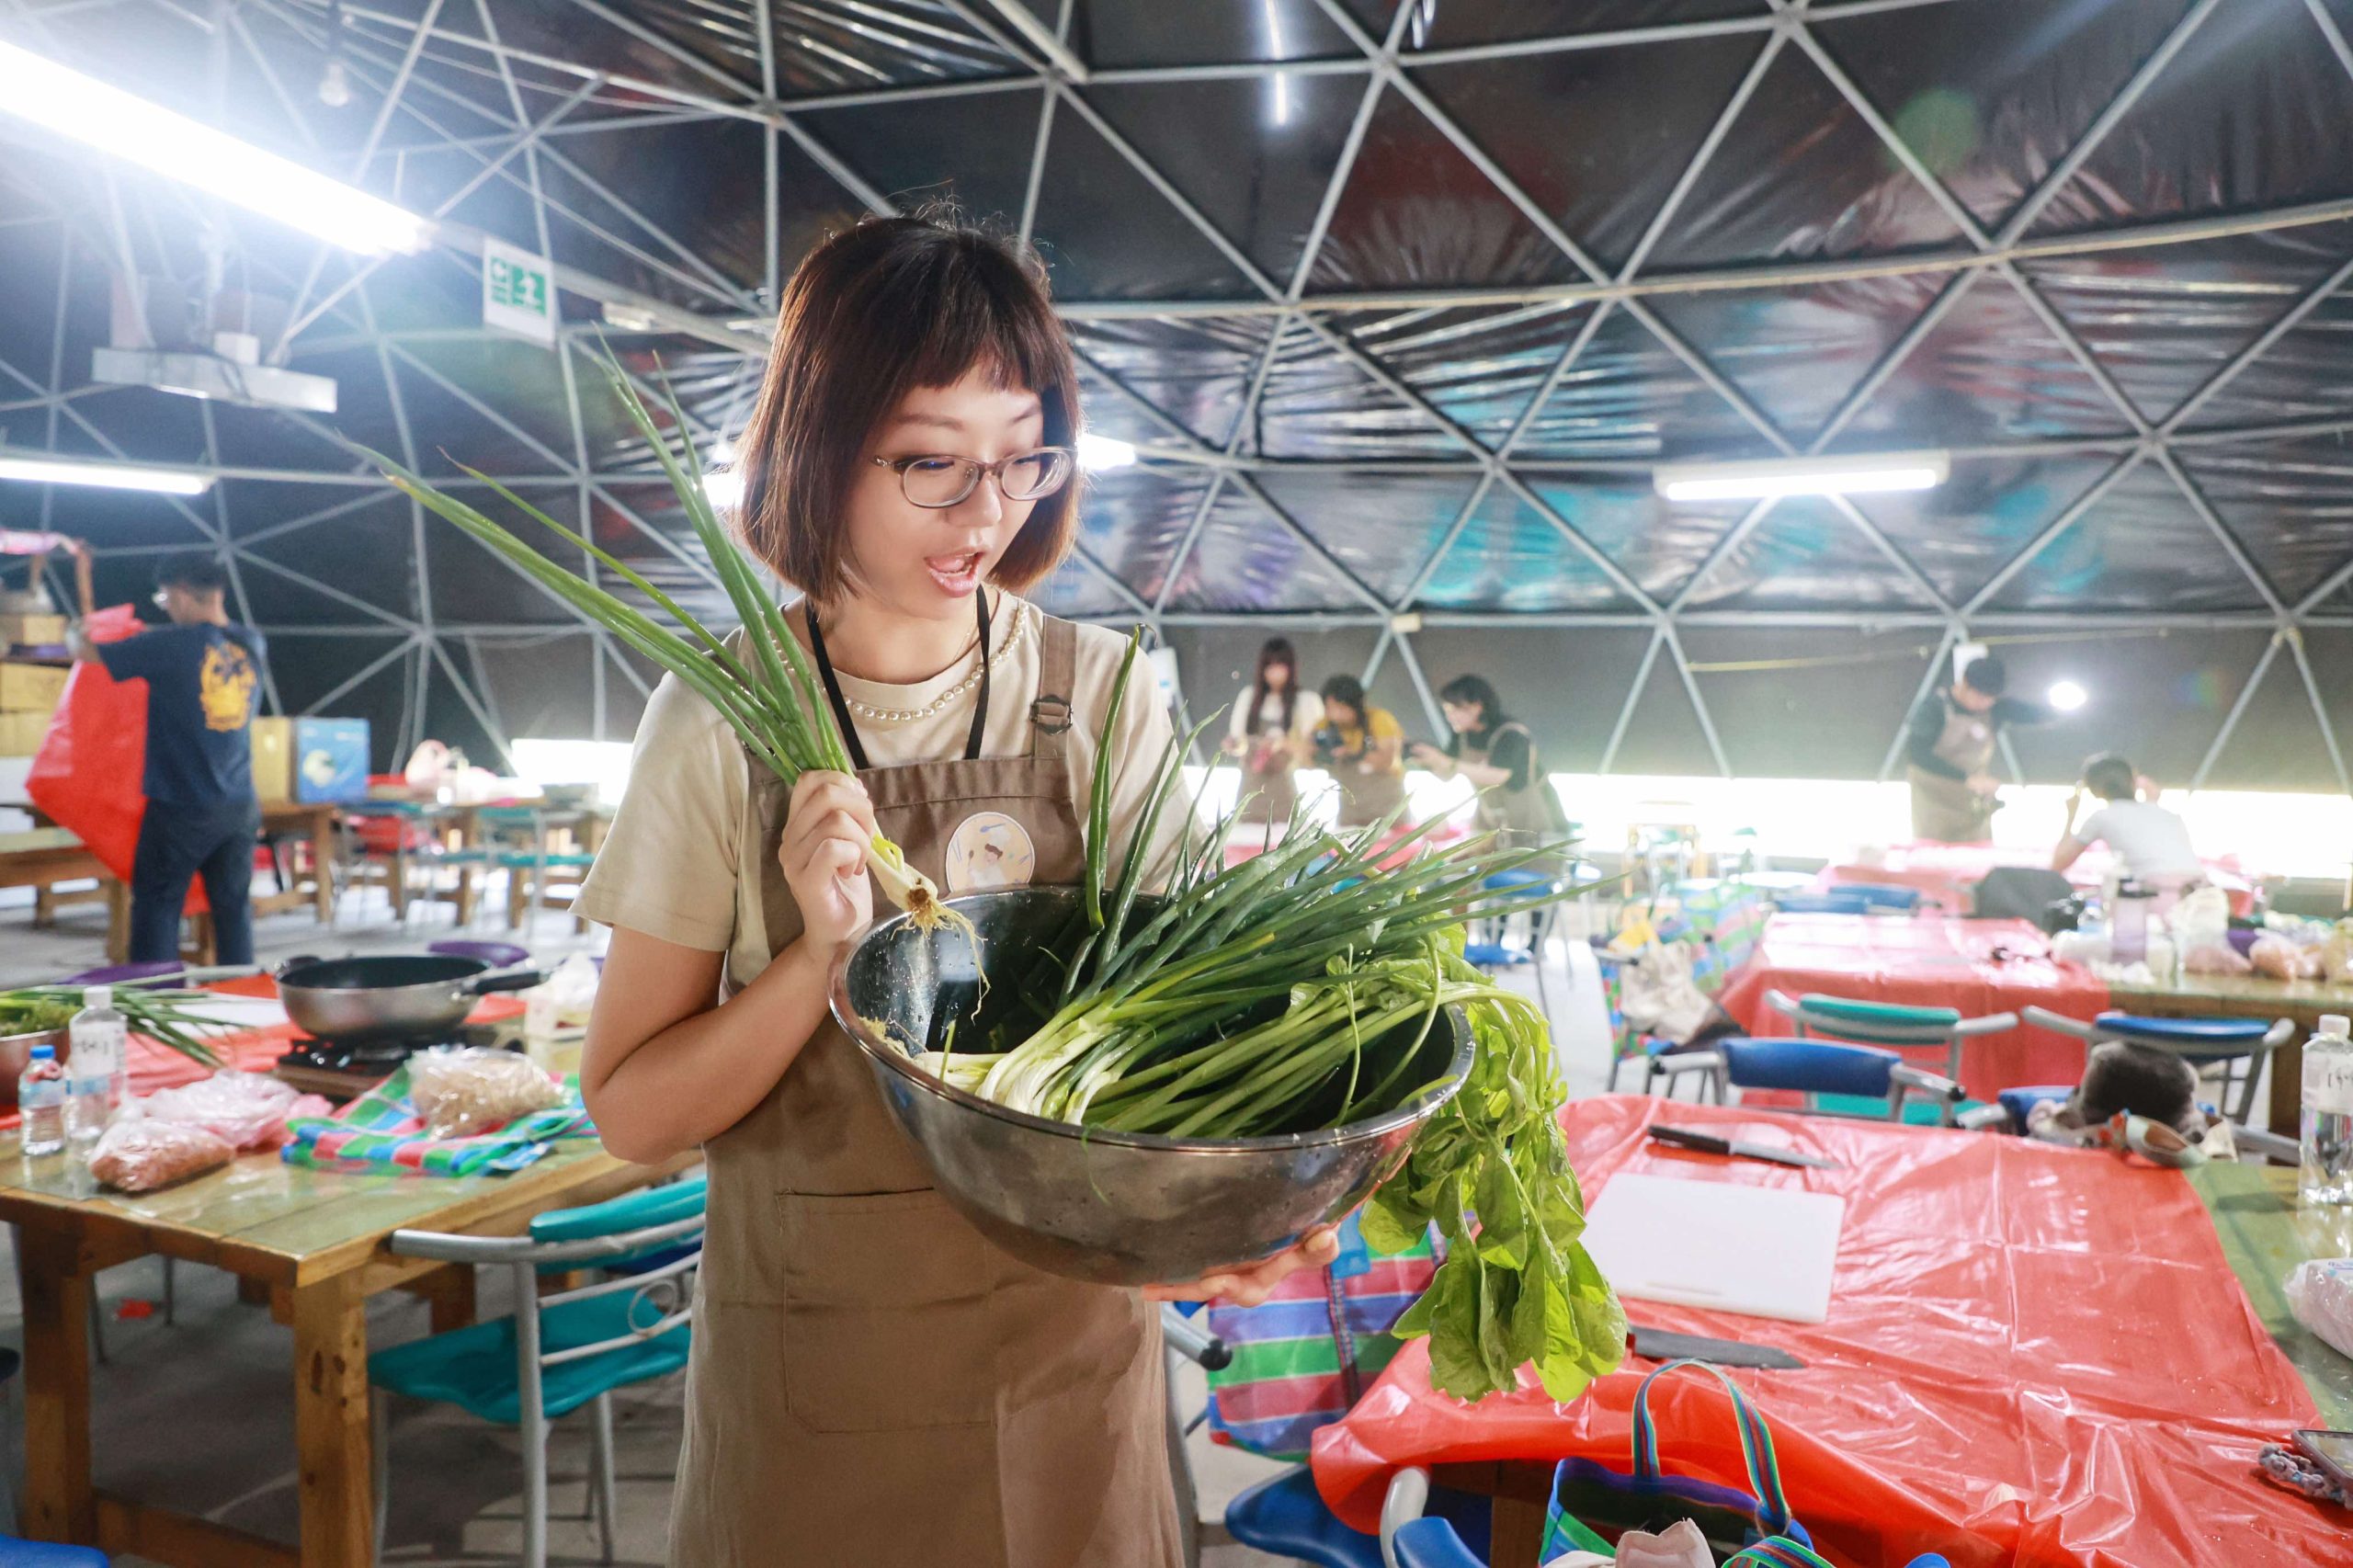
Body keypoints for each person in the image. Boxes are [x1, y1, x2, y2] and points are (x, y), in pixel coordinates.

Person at [569, 216, 1335, 1568]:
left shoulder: (1101, 695)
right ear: (818, 445)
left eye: (1022, 458)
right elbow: (632, 1109)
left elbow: (1171, 1051)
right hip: (814, 1392)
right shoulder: (718, 722)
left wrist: (1227, 1215)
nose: (988, 514)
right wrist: (817, 958)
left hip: (1067, 1378)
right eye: (932, 461)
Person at [66, 550, 265, 964]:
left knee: (158, 905)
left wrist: (75, 630)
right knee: (232, 910)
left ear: (182, 593)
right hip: (240, 805)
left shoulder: (172, 645)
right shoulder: (251, 643)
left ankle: (157, 1003)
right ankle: (244, 999)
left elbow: (89, 653)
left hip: (182, 806)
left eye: (166, 599)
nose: (168, 608)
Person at [1407, 674, 1567, 857]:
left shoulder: (1510, 733)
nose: (1449, 717)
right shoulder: (1462, 735)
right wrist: (1428, 760)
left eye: (1454, 710)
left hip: (1533, 819)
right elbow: (1447, 774)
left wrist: (1447, 762)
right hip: (1492, 818)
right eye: (1446, 710)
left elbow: (1498, 776)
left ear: (1477, 706)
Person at [1904, 653, 2049, 843]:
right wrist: (1967, 779)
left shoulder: (1995, 709)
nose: (1985, 703)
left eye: (1991, 698)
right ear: (1964, 683)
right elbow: (1916, 754)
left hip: (1971, 802)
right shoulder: (1934, 708)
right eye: (1980, 696)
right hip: (1933, 798)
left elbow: (2034, 715)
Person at [1221, 636, 1321, 834]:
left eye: (1280, 665)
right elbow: (1239, 743)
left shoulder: (1305, 701)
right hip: (1249, 795)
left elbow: (1312, 751)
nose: (1275, 672)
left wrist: (1283, 744)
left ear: (1292, 667)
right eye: (1270, 665)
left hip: (1284, 795)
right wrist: (1234, 746)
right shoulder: (1249, 697)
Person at [2053, 753, 2202, 884]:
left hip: (2160, 894)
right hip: (2204, 893)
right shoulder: (2167, 814)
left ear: (2094, 790)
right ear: (2134, 780)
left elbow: (2058, 864)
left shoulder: (2102, 817)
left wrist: (2071, 815)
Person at [1310, 674, 1406, 828]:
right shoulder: (1323, 726)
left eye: (1341, 708)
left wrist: (1352, 753)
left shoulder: (1379, 719)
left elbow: (1387, 760)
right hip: (1350, 815)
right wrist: (1321, 753)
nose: (1335, 714)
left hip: (1388, 811)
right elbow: (1307, 758)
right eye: (1330, 709)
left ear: (1357, 704)